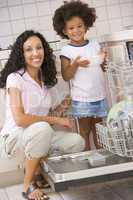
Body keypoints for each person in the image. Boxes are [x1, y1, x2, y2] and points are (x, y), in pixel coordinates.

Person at [0, 30, 85, 200]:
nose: (35, 53)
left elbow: (47, 116)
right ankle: (27, 185)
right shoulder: (15, 78)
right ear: (22, 54)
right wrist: (55, 119)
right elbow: (20, 119)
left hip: (38, 134)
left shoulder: (44, 81)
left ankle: (40, 173)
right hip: (14, 136)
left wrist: (69, 100)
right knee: (43, 128)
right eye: (29, 49)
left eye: (39, 48)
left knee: (76, 142)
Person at [53, 0, 108, 150]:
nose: (76, 31)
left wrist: (104, 58)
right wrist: (75, 64)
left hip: (99, 95)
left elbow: (102, 68)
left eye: (79, 26)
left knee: (99, 130)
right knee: (84, 130)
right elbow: (66, 76)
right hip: (82, 98)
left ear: (86, 25)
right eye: (71, 28)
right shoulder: (67, 51)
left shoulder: (95, 44)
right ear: (64, 31)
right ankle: (87, 164)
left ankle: (102, 161)